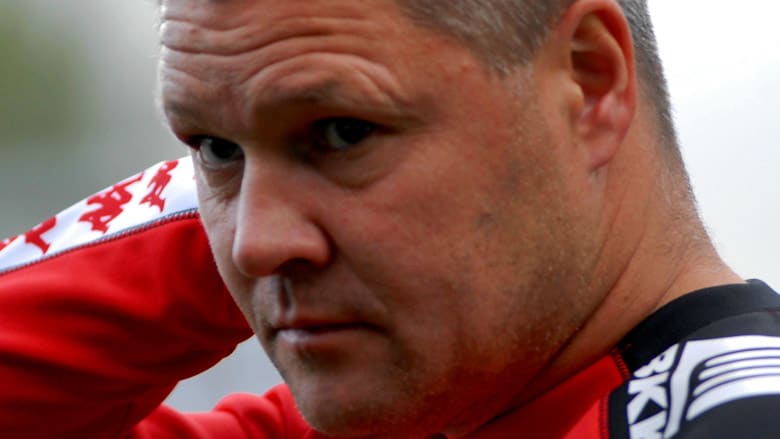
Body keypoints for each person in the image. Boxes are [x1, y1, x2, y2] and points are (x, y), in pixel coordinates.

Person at [1, 0, 779, 438]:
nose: (255, 243)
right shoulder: (418, 407)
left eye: (343, 131)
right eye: (214, 148)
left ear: (589, 82)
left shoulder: (739, 416)